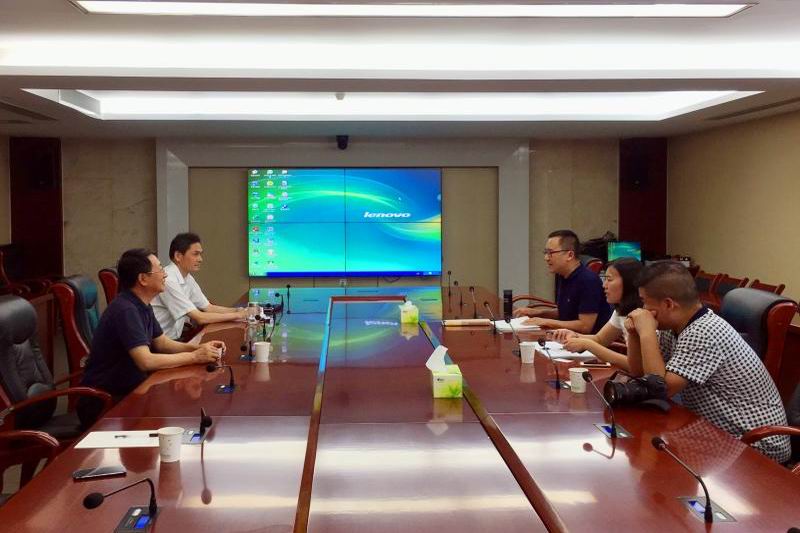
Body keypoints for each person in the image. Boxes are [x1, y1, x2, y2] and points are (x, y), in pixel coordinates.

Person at [624, 260, 790, 462]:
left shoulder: (704, 331)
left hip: (756, 442)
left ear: (668, 304)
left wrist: (646, 331)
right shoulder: (675, 327)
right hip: (714, 431)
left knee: (651, 456)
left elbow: (660, 389)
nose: (642, 310)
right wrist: (635, 335)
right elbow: (640, 374)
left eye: (645, 302)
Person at [78, 248, 224, 426]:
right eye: (160, 269)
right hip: (105, 401)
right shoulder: (126, 310)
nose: (165, 274)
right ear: (143, 279)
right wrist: (194, 357)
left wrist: (200, 348)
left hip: (132, 389)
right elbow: (146, 361)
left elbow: (162, 343)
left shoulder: (142, 304)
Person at [551, 257, 643, 370]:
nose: (604, 285)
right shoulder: (621, 311)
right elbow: (600, 339)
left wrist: (587, 344)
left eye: (609, 280)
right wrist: (574, 335)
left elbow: (636, 366)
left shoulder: (643, 315)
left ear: (629, 283)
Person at [152, 232, 247, 339]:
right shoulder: (168, 279)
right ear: (178, 256)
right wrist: (238, 316)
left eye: (200, 254)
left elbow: (208, 307)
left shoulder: (187, 277)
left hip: (174, 339)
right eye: (195, 254)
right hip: (158, 344)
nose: (200, 259)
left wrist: (239, 310)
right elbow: (199, 318)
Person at [514, 229, 611, 334]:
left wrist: (546, 322)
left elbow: (585, 326)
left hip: (587, 341)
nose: (546, 258)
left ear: (570, 255)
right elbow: (565, 313)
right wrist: (537, 313)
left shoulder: (588, 281)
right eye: (545, 252)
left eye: (550, 253)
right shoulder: (564, 275)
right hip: (566, 336)